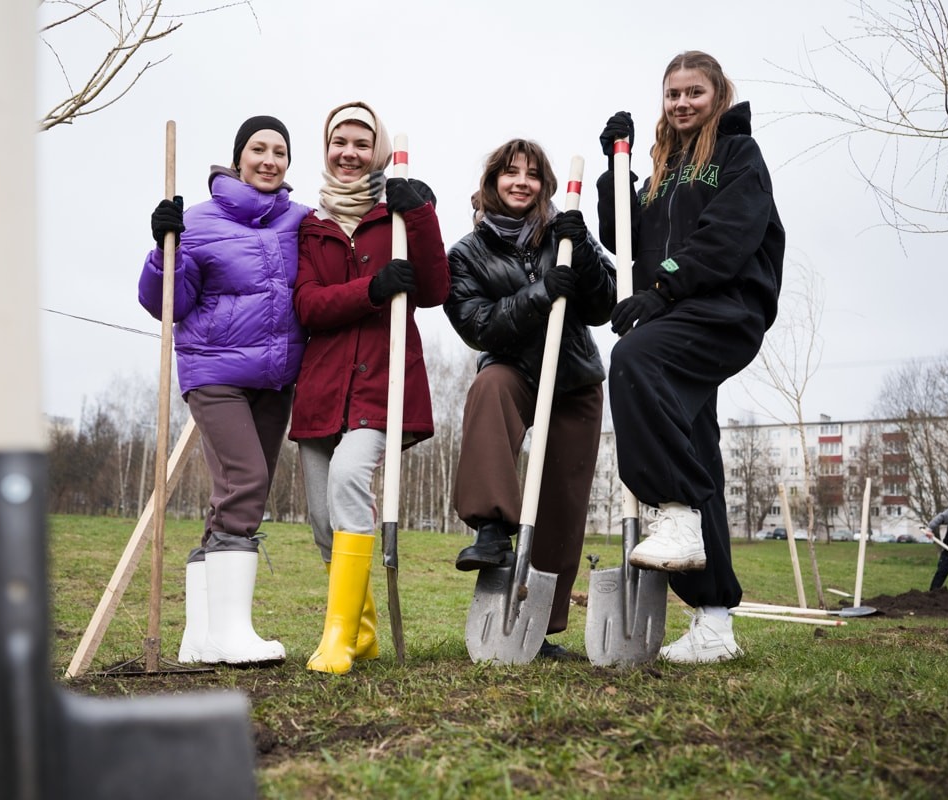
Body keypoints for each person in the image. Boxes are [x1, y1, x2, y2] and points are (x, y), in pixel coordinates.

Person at [596, 51, 785, 663]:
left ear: (717, 94)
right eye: (673, 93)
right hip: (674, 312)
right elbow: (621, 235)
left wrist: (664, 287)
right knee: (695, 447)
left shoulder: (737, 155)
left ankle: (676, 511)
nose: (682, 103)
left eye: (694, 92)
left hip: (725, 309)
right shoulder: (663, 169)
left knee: (634, 361)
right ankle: (714, 622)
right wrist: (615, 169)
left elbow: (728, 237)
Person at [138, 115, 308, 666]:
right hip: (215, 374)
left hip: (276, 379)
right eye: (258, 149)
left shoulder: (302, 220)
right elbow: (166, 303)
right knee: (246, 481)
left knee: (232, 495)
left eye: (279, 151)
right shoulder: (198, 221)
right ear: (238, 159)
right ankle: (232, 633)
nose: (269, 160)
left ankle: (200, 637)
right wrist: (163, 249)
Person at [289, 101, 450, 674]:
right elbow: (307, 304)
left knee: (348, 478)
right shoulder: (312, 226)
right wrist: (372, 290)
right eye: (340, 142)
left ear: (378, 150)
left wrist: (422, 213)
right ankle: (361, 631)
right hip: (322, 388)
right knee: (321, 518)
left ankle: (336, 637)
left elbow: (435, 289)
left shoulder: (398, 216)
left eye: (362, 143)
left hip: (382, 384)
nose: (349, 153)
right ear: (327, 148)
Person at [444, 139, 616, 660]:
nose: (521, 182)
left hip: (573, 377)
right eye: (510, 172)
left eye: (533, 174)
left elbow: (605, 304)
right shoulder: (466, 254)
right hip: (515, 369)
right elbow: (477, 326)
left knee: (563, 501)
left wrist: (582, 251)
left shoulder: (565, 232)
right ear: (492, 180)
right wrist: (540, 295)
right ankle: (492, 528)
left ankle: (539, 626)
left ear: (545, 184)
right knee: (488, 388)